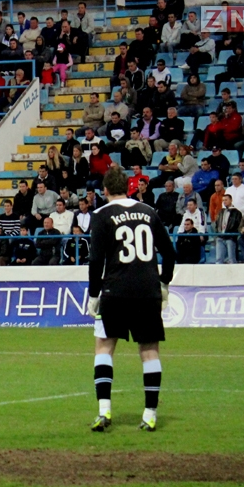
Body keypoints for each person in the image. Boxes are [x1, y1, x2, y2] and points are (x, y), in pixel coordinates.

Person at [87, 168, 175, 433]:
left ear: (105, 190)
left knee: (104, 347)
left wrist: (94, 294)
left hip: (115, 291)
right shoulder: (148, 212)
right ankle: (150, 414)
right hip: (147, 291)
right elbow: (169, 253)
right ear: (129, 187)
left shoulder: (101, 215)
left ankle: (104, 411)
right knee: (149, 351)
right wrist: (163, 282)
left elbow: (95, 260)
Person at [214, 193, 242, 264]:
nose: (224, 202)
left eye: (226, 200)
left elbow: (238, 225)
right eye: (223, 200)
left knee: (231, 258)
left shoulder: (237, 213)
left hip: (230, 237)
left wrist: (232, 235)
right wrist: (218, 233)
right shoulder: (221, 211)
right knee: (219, 259)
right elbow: (217, 224)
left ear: (231, 200)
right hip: (220, 236)